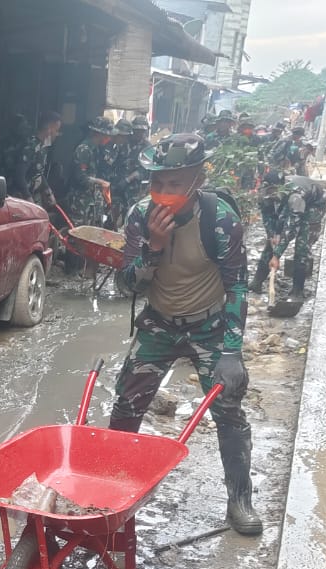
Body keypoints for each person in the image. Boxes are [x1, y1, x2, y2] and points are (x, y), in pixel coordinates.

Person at [110, 134, 262, 536]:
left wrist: (232, 351)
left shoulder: (221, 220)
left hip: (210, 326)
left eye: (173, 185)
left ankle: (240, 498)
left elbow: (238, 287)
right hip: (159, 322)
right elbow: (128, 285)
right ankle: (110, 493)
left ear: (197, 179)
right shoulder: (139, 217)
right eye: (156, 183)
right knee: (125, 405)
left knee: (229, 409)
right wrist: (153, 248)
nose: (162, 194)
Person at [249, 170, 326, 298]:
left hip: (314, 204)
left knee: (302, 244)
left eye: (274, 191)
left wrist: (277, 255)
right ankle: (257, 282)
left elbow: (292, 228)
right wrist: (272, 236)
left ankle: (298, 290)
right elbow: (267, 217)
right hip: (287, 206)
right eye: (269, 191)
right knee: (272, 242)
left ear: (282, 187)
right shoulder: (263, 195)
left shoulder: (295, 196)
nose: (271, 194)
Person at [67, 117, 115, 226]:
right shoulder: (84, 149)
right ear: (98, 134)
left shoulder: (97, 149)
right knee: (78, 234)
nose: (108, 138)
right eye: (106, 135)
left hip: (92, 201)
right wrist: (100, 182)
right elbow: (80, 177)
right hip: (80, 202)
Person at [110, 116, 149, 227]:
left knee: (130, 216)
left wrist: (128, 179)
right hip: (117, 184)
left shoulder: (147, 147)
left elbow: (144, 169)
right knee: (112, 212)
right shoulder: (125, 141)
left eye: (142, 131)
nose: (139, 133)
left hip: (133, 188)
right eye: (137, 130)